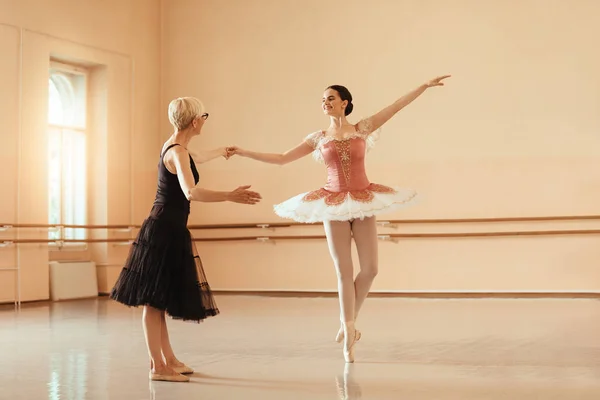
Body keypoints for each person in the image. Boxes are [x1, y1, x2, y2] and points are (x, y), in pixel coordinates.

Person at [226, 76, 450, 363]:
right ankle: (349, 331)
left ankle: (349, 323)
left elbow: (394, 107)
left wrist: (423, 87)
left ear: (344, 103)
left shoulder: (362, 128)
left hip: (363, 200)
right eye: (322, 99)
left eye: (330, 98)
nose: (325, 102)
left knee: (370, 269)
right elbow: (282, 158)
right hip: (332, 203)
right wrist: (244, 152)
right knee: (344, 272)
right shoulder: (318, 138)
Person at [110, 97, 262, 382]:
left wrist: (222, 151)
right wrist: (230, 195)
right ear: (195, 121)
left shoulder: (175, 146)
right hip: (164, 230)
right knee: (153, 303)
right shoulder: (177, 153)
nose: (205, 120)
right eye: (204, 115)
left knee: (159, 300)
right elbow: (191, 191)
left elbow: (195, 157)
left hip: (169, 228)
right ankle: (158, 366)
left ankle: (169, 358)